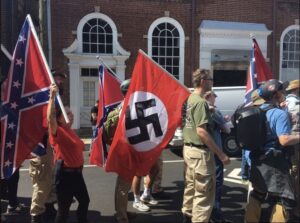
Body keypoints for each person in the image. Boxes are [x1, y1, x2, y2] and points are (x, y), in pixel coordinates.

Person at [244, 79, 300, 222]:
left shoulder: (257, 110)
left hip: (257, 159)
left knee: (257, 194)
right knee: (285, 198)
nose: (283, 93)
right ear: (276, 94)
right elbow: (284, 140)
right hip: (274, 162)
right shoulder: (279, 114)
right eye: (281, 90)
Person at [181, 69, 230, 223]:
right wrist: (221, 154)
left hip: (188, 150)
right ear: (203, 81)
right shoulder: (201, 102)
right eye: (210, 79)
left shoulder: (190, 99)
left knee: (191, 187)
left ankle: (187, 217)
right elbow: (202, 131)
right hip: (199, 153)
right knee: (204, 194)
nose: (212, 82)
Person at [47, 83, 90, 223]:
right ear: (60, 118)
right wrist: (52, 97)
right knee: (63, 210)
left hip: (77, 174)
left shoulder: (71, 132)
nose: (71, 116)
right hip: (65, 176)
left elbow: (80, 148)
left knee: (84, 201)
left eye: (71, 114)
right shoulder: (57, 131)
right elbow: (50, 119)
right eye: (67, 114)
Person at [30, 70, 67, 223]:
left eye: (61, 81)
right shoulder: (43, 100)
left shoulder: (56, 100)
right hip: (42, 147)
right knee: (41, 185)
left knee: (51, 182)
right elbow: (48, 119)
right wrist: (52, 97)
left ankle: (50, 211)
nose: (59, 84)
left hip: (52, 148)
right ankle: (36, 216)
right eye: (56, 80)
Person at [204, 90, 231, 223]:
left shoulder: (198, 109)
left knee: (204, 184)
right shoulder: (214, 111)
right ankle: (216, 212)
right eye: (214, 96)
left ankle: (204, 212)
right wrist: (223, 122)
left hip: (202, 151)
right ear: (209, 96)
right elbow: (227, 129)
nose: (215, 99)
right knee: (217, 183)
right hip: (215, 150)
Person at [112, 79, 137, 223]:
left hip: (124, 148)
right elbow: (125, 130)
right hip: (126, 149)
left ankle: (121, 211)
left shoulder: (125, 105)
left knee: (122, 183)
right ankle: (121, 216)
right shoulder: (127, 107)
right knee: (124, 184)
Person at [285, 79, 300, 220]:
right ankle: (295, 209)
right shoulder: (296, 104)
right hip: (296, 142)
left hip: (288, 141)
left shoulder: (285, 103)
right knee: (296, 176)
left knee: (291, 173)